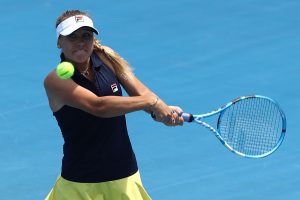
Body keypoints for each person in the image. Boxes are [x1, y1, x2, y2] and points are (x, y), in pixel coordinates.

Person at [44, 10, 184, 200]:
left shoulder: (107, 60)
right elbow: (99, 107)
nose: (80, 42)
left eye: (86, 36)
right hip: (80, 183)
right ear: (59, 41)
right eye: (72, 37)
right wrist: (153, 103)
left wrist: (162, 111)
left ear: (93, 39)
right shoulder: (55, 80)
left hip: (124, 176)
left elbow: (141, 92)